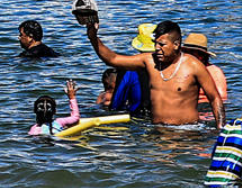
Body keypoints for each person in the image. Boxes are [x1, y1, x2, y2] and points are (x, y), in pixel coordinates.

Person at [80, 14, 224, 127]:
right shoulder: (149, 61)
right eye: (155, 44)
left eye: (162, 45)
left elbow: (214, 98)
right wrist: (93, 37)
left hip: (187, 131)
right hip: (157, 131)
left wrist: (220, 129)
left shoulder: (193, 65)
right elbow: (112, 59)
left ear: (176, 44)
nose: (156, 48)